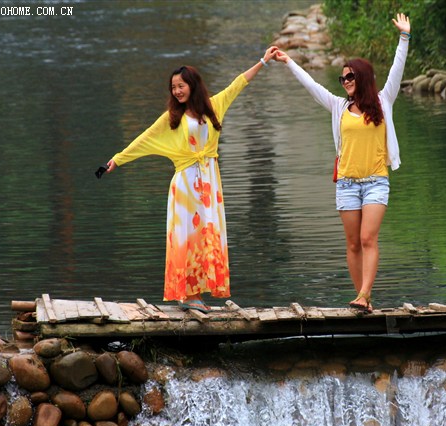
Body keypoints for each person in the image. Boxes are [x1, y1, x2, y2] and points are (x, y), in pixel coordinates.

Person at [105, 47, 278, 313]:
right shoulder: (172, 118)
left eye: (181, 86)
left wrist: (263, 61)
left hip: (209, 183)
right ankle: (188, 294)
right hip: (185, 184)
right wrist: (118, 159)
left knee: (208, 235)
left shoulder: (214, 106)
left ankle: (195, 293)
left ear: (193, 85)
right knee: (188, 236)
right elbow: (145, 138)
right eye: (173, 87)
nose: (177, 91)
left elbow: (238, 84)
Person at [274, 14, 411, 312]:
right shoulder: (338, 106)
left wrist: (404, 37)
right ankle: (362, 299)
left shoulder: (383, 101)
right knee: (352, 244)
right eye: (342, 78)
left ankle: (365, 294)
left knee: (368, 238)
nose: (346, 82)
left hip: (376, 181)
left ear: (362, 78)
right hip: (347, 184)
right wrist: (289, 62)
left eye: (350, 77)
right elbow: (311, 86)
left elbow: (396, 70)